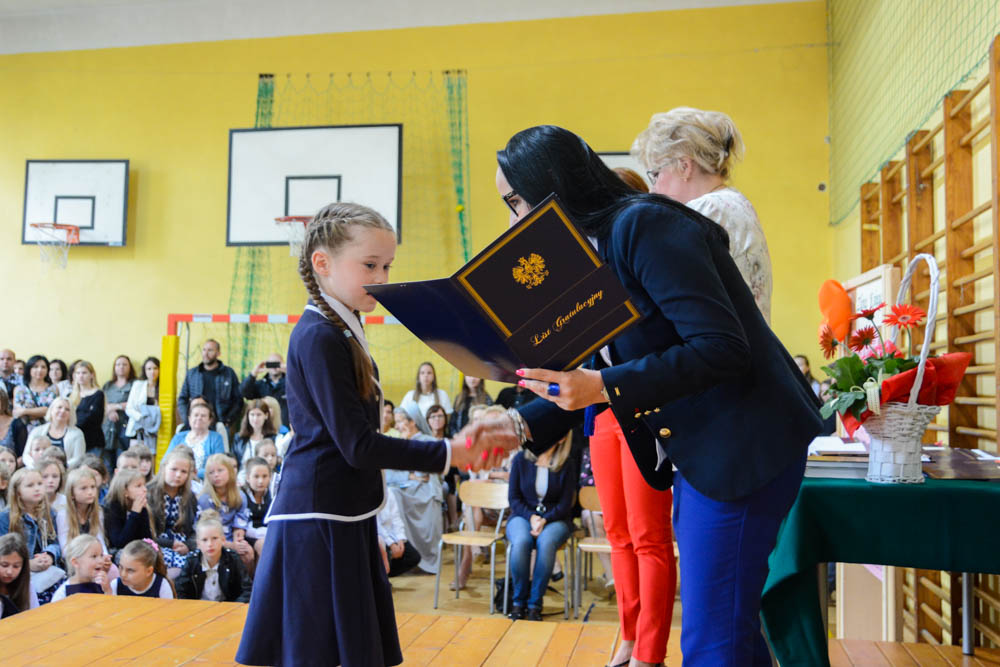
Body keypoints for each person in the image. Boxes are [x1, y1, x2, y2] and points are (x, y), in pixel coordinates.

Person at [473, 125, 823, 666]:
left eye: (515, 202)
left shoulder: (642, 225)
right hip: (708, 448)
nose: (513, 222)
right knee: (729, 629)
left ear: (551, 188)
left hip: (742, 445)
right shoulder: (602, 246)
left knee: (712, 640)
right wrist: (519, 424)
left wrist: (602, 387)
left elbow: (721, 347)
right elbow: (603, 364)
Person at [236, 202, 506, 667]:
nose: (382, 278)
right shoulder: (319, 335)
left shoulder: (343, 326)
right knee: (316, 652)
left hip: (344, 512)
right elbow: (358, 445)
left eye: (387, 266)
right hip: (317, 517)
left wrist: (371, 528)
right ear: (322, 263)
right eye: (370, 265)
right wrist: (450, 452)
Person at [632, 107, 773, 324]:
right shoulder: (735, 202)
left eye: (656, 174)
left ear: (685, 166)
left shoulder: (705, 211)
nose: (653, 190)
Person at [505, 433, 577, 620]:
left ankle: (535, 604)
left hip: (556, 519)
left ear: (561, 438)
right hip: (522, 515)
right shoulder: (521, 459)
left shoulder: (567, 464)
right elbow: (514, 498)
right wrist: (531, 517)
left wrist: (544, 519)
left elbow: (565, 504)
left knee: (546, 543)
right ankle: (518, 602)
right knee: (521, 542)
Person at [385, 406, 445, 574]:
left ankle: (427, 560)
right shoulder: (398, 442)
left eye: (400, 421)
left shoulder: (429, 441)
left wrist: (412, 473)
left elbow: (425, 473)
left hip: (425, 490)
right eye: (396, 422)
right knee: (392, 494)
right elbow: (388, 474)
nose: (397, 426)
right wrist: (408, 475)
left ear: (412, 422)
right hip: (405, 490)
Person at [0, 468, 63, 604]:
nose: (37, 488)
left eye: (40, 484)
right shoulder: (5, 517)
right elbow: (3, 552)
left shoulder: (49, 513)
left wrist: (49, 555)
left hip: (45, 570)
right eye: (30, 485)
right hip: (19, 572)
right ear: (18, 492)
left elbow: (55, 543)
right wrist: (28, 564)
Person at [175, 510, 252, 602]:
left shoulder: (233, 559)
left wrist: (233, 607)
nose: (210, 544)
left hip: (228, 608)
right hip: (199, 608)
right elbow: (181, 591)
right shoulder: (191, 561)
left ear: (223, 540)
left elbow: (247, 590)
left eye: (214, 538)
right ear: (198, 544)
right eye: (204, 540)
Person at [197, 453, 254, 572]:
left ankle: (245, 583)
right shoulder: (205, 499)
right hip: (211, 540)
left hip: (231, 536)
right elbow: (208, 530)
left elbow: (239, 524)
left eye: (220, 470)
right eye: (211, 472)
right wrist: (231, 546)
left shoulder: (240, 496)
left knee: (247, 553)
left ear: (230, 472)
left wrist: (238, 543)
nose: (216, 475)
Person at [176, 340, 242, 436]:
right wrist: (188, 419)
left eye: (210, 350)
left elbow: (238, 400)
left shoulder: (228, 373)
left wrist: (228, 420)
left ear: (218, 353)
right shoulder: (192, 374)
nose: (206, 354)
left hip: (220, 424)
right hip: (196, 424)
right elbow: (182, 399)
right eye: (204, 350)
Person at [147, 451, 198, 573]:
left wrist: (188, 545)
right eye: (174, 469)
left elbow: (194, 529)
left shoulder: (189, 497)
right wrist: (170, 544)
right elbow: (145, 532)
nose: (178, 475)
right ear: (164, 468)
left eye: (184, 471)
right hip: (157, 544)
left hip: (183, 545)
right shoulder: (149, 493)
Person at [166, 401, 225, 479]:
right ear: (189, 418)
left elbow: (218, 465)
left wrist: (191, 473)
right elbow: (166, 461)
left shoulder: (216, 438)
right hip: (178, 479)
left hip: (205, 482)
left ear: (210, 420)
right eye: (196, 415)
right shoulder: (178, 437)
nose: (199, 418)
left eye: (203, 416)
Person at [56, 467, 108, 552]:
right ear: (72, 493)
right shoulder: (63, 514)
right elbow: (65, 548)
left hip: (94, 555)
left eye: (93, 487)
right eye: (84, 488)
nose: (90, 492)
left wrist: (104, 555)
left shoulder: (98, 512)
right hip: (74, 556)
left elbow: (100, 540)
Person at [103, 469, 155, 552]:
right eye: (138, 486)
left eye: (144, 485)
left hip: (138, 550)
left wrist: (142, 511)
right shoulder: (112, 507)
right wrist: (135, 513)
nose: (145, 489)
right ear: (125, 491)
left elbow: (146, 538)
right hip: (118, 552)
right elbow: (120, 543)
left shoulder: (140, 505)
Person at [25, 398, 85, 469]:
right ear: (51, 410)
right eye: (59, 407)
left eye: (67, 409)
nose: (63, 411)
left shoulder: (77, 434)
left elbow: (78, 458)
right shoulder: (36, 431)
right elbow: (26, 455)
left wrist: (59, 468)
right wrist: (37, 467)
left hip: (66, 472)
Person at [50, 534, 111, 601]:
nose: (100, 561)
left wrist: (107, 590)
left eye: (101, 555)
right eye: (94, 556)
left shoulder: (103, 585)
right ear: (75, 562)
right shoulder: (62, 594)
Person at [375, 488, 419, 577]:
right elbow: (376, 525)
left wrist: (400, 539)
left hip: (391, 534)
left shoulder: (388, 491)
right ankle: (382, 578)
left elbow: (396, 517)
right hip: (379, 537)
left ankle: (384, 577)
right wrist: (391, 544)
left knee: (413, 557)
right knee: (385, 554)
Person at [400, 362, 453, 434]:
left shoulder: (442, 394)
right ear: (418, 377)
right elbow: (401, 415)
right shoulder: (410, 395)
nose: (426, 375)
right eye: (422, 373)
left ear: (434, 376)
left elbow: (448, 417)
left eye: (429, 373)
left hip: (436, 434)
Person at [102, 355, 135, 465]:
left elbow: (134, 404)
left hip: (125, 428)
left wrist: (116, 406)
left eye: (124, 364)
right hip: (107, 429)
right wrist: (110, 411)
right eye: (118, 364)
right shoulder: (108, 385)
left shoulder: (134, 385)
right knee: (107, 464)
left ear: (130, 367)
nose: (121, 367)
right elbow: (102, 404)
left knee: (123, 461)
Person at [124, 357, 161, 453]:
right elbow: (129, 408)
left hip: (155, 430)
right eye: (149, 369)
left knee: (151, 458)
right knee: (135, 456)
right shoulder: (138, 385)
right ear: (145, 370)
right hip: (138, 429)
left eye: (155, 368)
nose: (152, 372)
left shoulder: (163, 387)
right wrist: (142, 418)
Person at [241, 353, 289, 427]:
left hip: (286, 426)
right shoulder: (260, 384)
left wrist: (290, 372)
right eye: (271, 364)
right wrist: (253, 374)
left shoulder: (291, 383)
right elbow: (243, 392)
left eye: (277, 364)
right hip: (265, 427)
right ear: (267, 365)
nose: (274, 367)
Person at [69, 361, 106, 454]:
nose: (81, 376)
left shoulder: (98, 394)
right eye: (78, 373)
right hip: (75, 440)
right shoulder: (70, 395)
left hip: (92, 441)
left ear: (92, 375)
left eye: (84, 373)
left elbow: (94, 417)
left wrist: (74, 424)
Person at [13, 355, 57, 430]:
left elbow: (51, 410)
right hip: (24, 431)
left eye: (43, 367)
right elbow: (18, 413)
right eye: (35, 367)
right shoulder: (19, 389)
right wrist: (41, 412)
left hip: (47, 430)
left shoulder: (53, 389)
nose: (39, 370)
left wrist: (25, 411)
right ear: (29, 369)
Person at [231, 399, 277, 467]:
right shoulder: (239, 438)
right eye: (252, 415)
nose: (255, 419)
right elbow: (233, 461)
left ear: (266, 415)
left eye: (259, 415)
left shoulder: (273, 438)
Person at [0, 533, 36, 617]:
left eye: (16, 566)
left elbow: (34, 615)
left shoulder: (28, 587)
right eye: (4, 565)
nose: (9, 572)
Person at [0, 386, 28, 460]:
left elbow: (24, 455)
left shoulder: (17, 424)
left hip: (13, 465)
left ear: (3, 402)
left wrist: (11, 465)